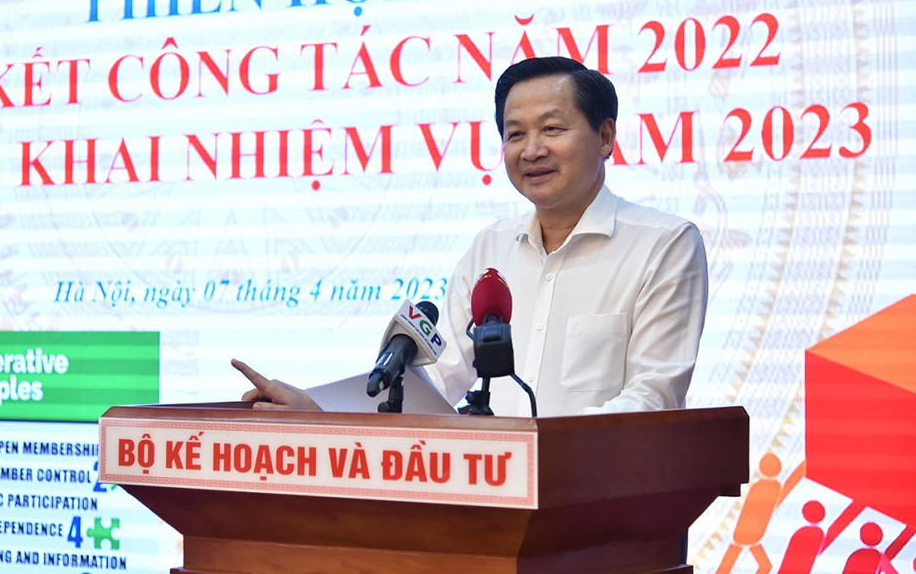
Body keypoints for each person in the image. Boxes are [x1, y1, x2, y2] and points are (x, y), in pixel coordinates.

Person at [234, 56, 708, 416]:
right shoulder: (491, 249)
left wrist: (542, 453)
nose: (531, 150)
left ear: (605, 137)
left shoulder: (663, 245)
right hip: (490, 498)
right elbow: (439, 381)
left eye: (551, 129)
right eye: (515, 134)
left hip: (597, 501)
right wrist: (319, 411)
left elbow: (654, 395)